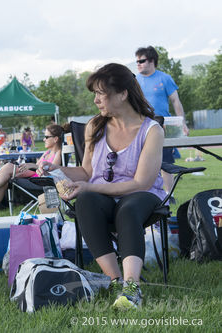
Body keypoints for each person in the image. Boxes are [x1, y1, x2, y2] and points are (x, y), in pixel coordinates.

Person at [39, 63, 166, 310]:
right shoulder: (95, 126)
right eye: (94, 94)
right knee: (85, 202)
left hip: (142, 195)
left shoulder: (152, 130)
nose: (96, 100)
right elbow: (87, 173)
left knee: (127, 209)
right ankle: (115, 281)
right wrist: (57, 170)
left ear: (122, 94)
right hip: (101, 197)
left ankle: (132, 288)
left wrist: (90, 187)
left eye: (101, 93)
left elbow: (141, 183)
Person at [0, 123, 65, 216]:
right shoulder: (47, 152)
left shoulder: (58, 153)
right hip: (33, 177)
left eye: (46, 137)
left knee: (8, 167)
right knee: (4, 179)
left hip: (41, 182)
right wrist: (28, 166)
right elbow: (36, 167)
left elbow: (52, 171)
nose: (44, 139)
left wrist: (31, 165)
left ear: (55, 139)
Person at [135, 46, 189, 196]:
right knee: (141, 163)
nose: (138, 64)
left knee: (165, 162)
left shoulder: (165, 78)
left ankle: (168, 195)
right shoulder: (134, 81)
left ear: (152, 61)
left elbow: (175, 101)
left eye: (142, 61)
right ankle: (146, 193)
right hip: (140, 127)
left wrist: (182, 123)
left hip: (162, 128)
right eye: (137, 61)